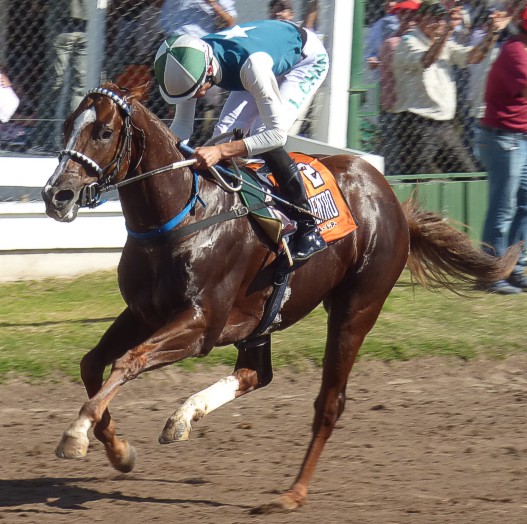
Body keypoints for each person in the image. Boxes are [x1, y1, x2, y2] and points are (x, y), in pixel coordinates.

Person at [154, 20, 329, 260]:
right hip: (258, 59)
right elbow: (182, 127)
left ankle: (308, 226)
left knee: (261, 133)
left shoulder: (251, 66)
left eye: (198, 90)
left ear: (209, 70)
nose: (197, 97)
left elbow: (276, 136)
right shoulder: (189, 59)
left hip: (303, 60)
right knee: (223, 133)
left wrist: (220, 151)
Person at [392, 0, 507, 174]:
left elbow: (472, 57)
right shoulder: (408, 41)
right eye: (434, 17)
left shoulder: (443, 42)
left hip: (444, 124)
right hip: (416, 122)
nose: (440, 22)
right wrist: (448, 31)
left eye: (442, 18)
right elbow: (426, 60)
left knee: (468, 177)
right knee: (417, 179)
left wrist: (493, 32)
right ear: (420, 18)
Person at [477, 4, 527, 294]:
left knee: (524, 205)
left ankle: (514, 267)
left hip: (519, 138)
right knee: (503, 208)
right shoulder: (515, 51)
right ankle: (489, 273)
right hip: (504, 139)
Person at [159, 0, 238, 144]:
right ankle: (162, 143)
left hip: (196, 52)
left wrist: (212, 3)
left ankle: (191, 146)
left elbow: (230, 22)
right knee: (161, 101)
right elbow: (158, 6)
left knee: (194, 105)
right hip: (169, 46)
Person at [28, 0, 88, 153]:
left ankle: (69, 137)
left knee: (77, 84)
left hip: (85, 20)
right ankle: (44, 138)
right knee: (60, 82)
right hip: (67, 18)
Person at [378, 0, 420, 175]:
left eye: (413, 15)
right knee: (394, 155)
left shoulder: (420, 42)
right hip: (395, 106)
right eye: (405, 15)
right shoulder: (393, 43)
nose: (410, 20)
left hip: (414, 109)